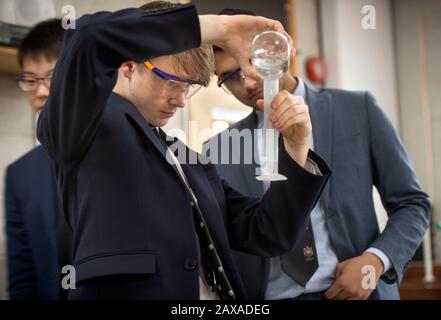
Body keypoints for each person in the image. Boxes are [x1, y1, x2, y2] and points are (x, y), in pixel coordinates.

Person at [36, 1, 330, 300]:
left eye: (188, 87)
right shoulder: (86, 122)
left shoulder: (188, 159)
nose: (180, 101)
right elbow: (89, 37)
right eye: (173, 83)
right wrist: (222, 29)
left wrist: (295, 148)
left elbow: (268, 234)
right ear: (128, 65)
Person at [204, 7, 431, 301]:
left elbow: (412, 203)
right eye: (230, 77)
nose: (247, 81)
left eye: (252, 62)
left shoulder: (358, 110)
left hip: (361, 292)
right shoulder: (218, 149)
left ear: (280, 50)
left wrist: (375, 262)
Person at [4, 19, 66, 300]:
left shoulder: (118, 152)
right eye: (30, 80)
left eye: (51, 77)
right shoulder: (20, 174)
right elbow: (22, 276)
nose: (40, 91)